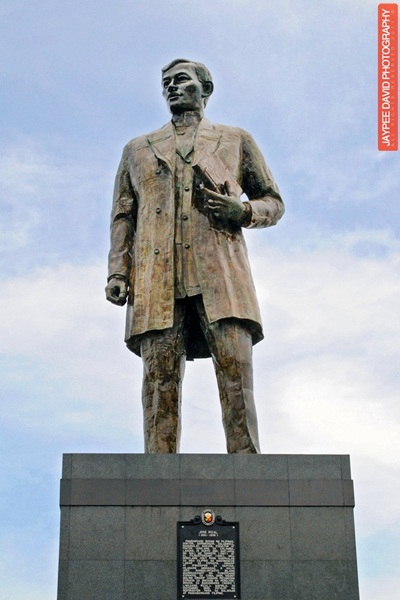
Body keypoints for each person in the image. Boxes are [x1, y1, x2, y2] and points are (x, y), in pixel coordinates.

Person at [105, 58, 284, 453]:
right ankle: (158, 470)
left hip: (220, 275)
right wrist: (118, 272)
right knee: (158, 383)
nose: (171, 87)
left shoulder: (235, 139)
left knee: (236, 376)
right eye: (165, 82)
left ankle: (247, 465)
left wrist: (244, 211)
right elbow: (123, 215)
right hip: (156, 280)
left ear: (205, 89)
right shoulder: (137, 150)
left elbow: (272, 201)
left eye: (181, 80)